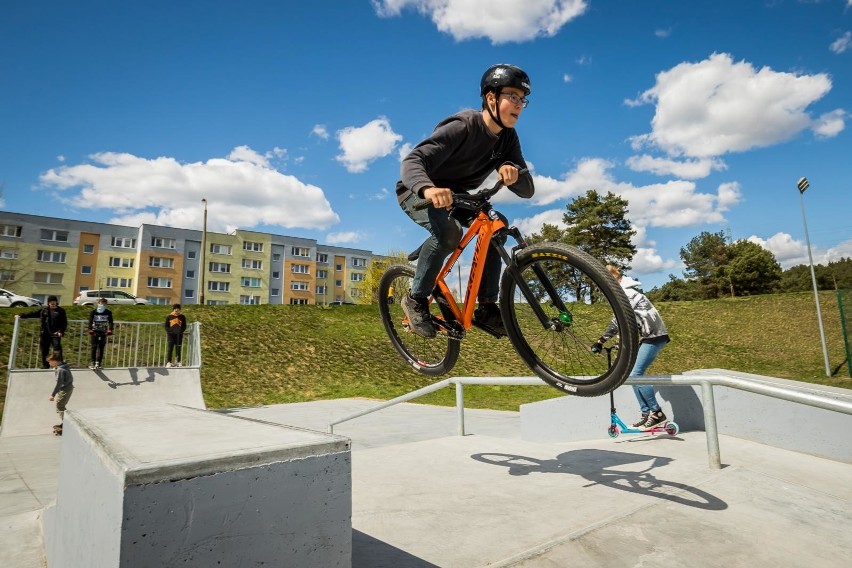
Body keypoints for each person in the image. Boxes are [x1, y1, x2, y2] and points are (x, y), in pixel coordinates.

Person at [396, 63, 535, 338]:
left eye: (523, 99)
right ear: (491, 98)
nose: (519, 105)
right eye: (512, 97)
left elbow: (527, 189)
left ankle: (485, 306)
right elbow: (414, 160)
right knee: (449, 232)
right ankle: (416, 299)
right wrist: (427, 188)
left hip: (458, 194)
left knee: (497, 226)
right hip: (418, 191)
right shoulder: (464, 125)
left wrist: (512, 172)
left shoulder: (508, 138)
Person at [593, 265, 671, 429]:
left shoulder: (626, 294)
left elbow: (617, 323)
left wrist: (600, 341)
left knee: (637, 374)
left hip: (655, 336)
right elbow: (627, 322)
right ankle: (646, 413)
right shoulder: (623, 292)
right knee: (631, 376)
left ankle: (657, 413)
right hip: (648, 336)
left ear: (613, 279)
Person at [17, 295, 67, 369]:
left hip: (55, 334)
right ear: (48, 303)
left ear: (56, 302)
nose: (52, 303)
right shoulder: (44, 310)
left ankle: (59, 365)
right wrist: (21, 315)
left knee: (57, 349)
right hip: (45, 333)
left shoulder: (61, 311)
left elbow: (64, 322)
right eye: (51, 302)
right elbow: (33, 313)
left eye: (54, 302)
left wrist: (61, 331)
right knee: (44, 350)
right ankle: (45, 365)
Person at [47, 351, 74, 434]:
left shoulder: (60, 369)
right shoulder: (63, 365)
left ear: (55, 361)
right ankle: (65, 423)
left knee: (60, 406)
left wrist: (52, 395)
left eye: (50, 361)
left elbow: (59, 383)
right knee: (61, 406)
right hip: (68, 387)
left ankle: (67, 424)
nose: (49, 363)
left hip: (65, 389)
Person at [87, 298, 114, 369]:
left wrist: (110, 329)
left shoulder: (108, 312)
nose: (103, 305)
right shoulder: (93, 312)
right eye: (101, 304)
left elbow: (110, 321)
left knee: (101, 347)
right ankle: (93, 362)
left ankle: (98, 363)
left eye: (104, 304)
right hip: (94, 331)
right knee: (94, 347)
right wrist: (90, 329)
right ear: (98, 304)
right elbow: (90, 321)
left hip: (103, 332)